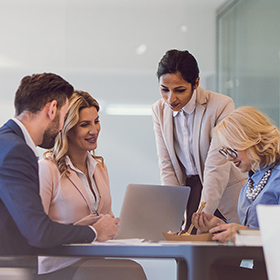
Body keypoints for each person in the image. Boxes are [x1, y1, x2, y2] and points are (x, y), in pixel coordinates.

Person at [0, 73, 119, 258]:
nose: (61, 128)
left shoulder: (6, 142)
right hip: (15, 266)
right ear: (52, 109)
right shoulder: (17, 151)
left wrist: (75, 229)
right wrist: (93, 232)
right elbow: (38, 232)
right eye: (64, 117)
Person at [37, 90, 147, 280]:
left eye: (96, 121)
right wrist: (79, 229)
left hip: (94, 260)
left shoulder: (99, 167)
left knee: (130, 269)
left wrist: (114, 226)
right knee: (131, 271)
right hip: (59, 266)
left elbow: (107, 218)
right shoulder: (47, 169)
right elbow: (35, 230)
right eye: (84, 125)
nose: (94, 130)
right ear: (67, 128)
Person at [152, 49, 247, 231]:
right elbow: (167, 165)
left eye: (179, 90)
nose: (170, 99)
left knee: (220, 256)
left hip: (221, 192)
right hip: (189, 191)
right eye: (164, 90)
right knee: (185, 257)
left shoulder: (221, 105)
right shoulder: (159, 110)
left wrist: (204, 213)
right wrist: (173, 212)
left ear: (196, 83)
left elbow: (217, 165)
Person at [192, 106, 280, 244]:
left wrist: (244, 234)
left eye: (232, 150)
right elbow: (252, 229)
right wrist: (220, 225)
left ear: (254, 140)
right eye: (225, 152)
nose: (229, 158)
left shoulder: (276, 178)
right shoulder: (251, 183)